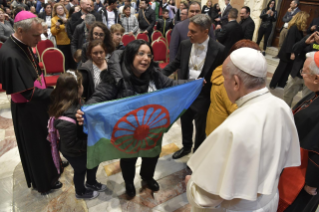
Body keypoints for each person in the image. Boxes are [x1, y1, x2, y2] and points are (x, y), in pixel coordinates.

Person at [185, 47, 301, 212]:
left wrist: (191, 185)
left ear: (236, 82)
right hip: (268, 201)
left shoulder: (233, 129)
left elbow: (207, 198)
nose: (224, 84)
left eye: (225, 79)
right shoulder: (282, 106)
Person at [76, 39, 189, 198]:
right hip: (127, 129)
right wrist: (85, 110)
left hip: (151, 126)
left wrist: (194, 83)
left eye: (149, 55)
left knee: (151, 154)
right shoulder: (116, 76)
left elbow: (172, 85)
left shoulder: (154, 74)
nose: (146, 58)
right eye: (141, 53)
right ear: (130, 56)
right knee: (129, 157)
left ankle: (147, 177)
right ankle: (129, 182)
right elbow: (100, 96)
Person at [0, 11, 62, 194]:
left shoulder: (24, 43)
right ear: (20, 30)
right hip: (28, 109)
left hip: (38, 101)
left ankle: (54, 166)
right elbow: (26, 92)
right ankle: (45, 182)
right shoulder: (10, 54)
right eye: (36, 35)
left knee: (47, 138)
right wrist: (55, 93)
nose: (40, 38)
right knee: (37, 146)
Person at [163, 14, 225, 159]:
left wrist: (209, 83)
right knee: (185, 121)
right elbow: (175, 63)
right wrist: (159, 75)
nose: (188, 34)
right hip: (185, 93)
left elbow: (221, 74)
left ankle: (197, 154)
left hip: (203, 95)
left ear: (205, 31)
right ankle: (186, 147)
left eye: (193, 31)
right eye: (189, 30)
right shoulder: (185, 45)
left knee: (201, 127)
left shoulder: (219, 49)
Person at [49, 71, 106, 200]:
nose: (83, 87)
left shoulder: (77, 101)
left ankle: (91, 182)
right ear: (75, 89)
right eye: (81, 85)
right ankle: (80, 192)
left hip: (84, 144)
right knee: (80, 170)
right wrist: (90, 142)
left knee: (92, 162)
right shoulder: (66, 117)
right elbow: (70, 143)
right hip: (75, 151)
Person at [277, 51, 319, 212]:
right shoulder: (315, 94)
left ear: (316, 78)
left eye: (304, 71)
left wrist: (312, 181)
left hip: (303, 177)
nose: (301, 74)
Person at [206, 39, 261, 136]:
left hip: (215, 126)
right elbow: (238, 112)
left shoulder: (223, 71)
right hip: (223, 134)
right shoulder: (228, 82)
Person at [270, 11, 309, 89]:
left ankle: (281, 84)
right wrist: (292, 53)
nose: (307, 21)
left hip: (292, 53)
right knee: (281, 69)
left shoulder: (299, 29)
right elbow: (290, 41)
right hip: (287, 53)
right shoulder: (294, 28)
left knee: (287, 69)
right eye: (306, 19)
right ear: (302, 19)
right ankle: (273, 84)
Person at [282, 32, 317, 107]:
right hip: (298, 73)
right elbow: (295, 48)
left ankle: (299, 116)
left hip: (312, 77)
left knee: (307, 101)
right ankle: (284, 113)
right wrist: (305, 43)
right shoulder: (310, 37)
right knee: (287, 95)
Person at [52, 3, 76, 71]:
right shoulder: (54, 19)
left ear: (64, 9)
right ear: (55, 10)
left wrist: (64, 23)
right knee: (65, 62)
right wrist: (57, 27)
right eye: (58, 9)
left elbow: (73, 26)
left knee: (73, 60)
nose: (60, 10)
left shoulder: (69, 16)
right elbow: (53, 32)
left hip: (71, 41)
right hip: (61, 43)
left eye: (61, 8)